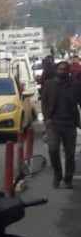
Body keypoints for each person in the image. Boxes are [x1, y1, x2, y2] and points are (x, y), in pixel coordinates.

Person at [41, 61, 80, 189]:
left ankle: (68, 179)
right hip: (53, 124)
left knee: (70, 154)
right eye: (60, 69)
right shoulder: (49, 84)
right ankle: (57, 175)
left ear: (68, 71)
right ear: (56, 70)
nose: (62, 71)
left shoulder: (74, 85)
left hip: (70, 124)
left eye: (65, 69)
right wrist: (46, 118)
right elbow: (44, 103)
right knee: (53, 150)